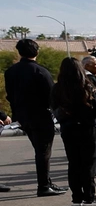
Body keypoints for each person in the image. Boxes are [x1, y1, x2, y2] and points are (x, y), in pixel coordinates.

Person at [6, 39, 61, 195]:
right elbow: (52, 95)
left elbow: (10, 95)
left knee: (39, 149)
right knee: (43, 151)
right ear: (37, 51)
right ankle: (43, 185)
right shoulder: (40, 71)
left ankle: (46, 182)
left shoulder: (11, 71)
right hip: (40, 115)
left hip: (23, 115)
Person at [51, 57, 96, 206]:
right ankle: (89, 196)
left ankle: (77, 196)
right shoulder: (86, 86)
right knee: (89, 163)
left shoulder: (57, 88)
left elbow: (54, 108)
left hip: (68, 128)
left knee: (74, 162)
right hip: (87, 127)